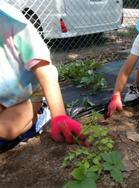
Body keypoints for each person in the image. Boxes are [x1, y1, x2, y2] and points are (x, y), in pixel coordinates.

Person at [0, 2, 86, 151]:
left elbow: (46, 70)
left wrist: (59, 116)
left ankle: (40, 115)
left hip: (27, 97)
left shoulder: (13, 23)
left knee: (4, 131)